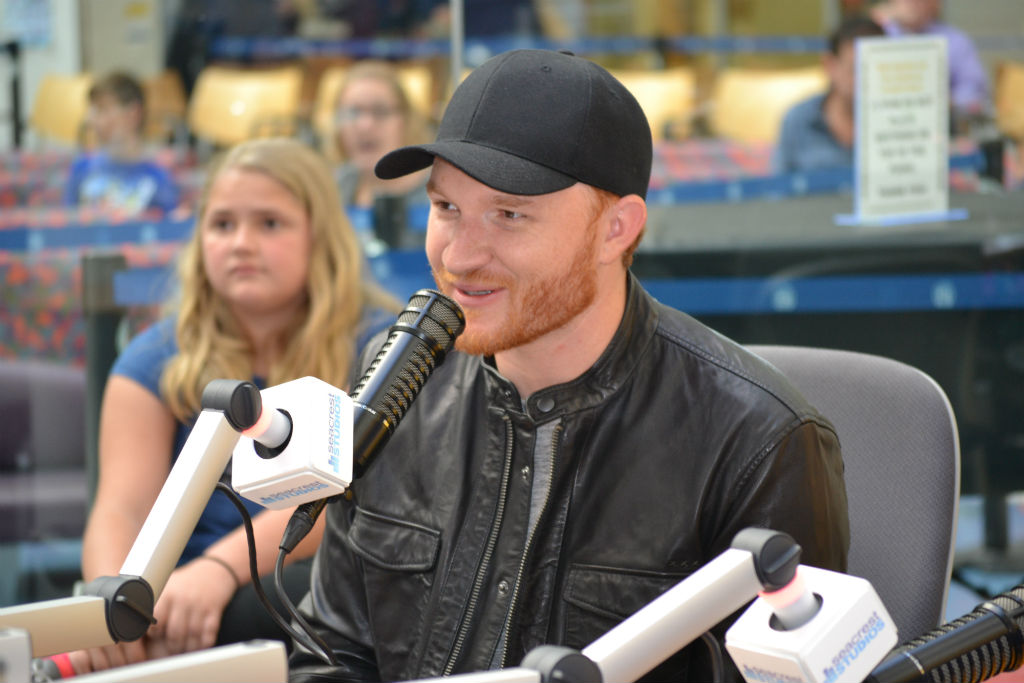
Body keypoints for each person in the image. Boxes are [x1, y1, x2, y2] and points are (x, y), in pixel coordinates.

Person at [289, 49, 850, 683]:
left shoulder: (758, 440)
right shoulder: (399, 382)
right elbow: (331, 651)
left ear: (616, 229)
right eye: (446, 208)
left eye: (509, 215)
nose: (460, 256)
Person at [69, 137, 400, 675]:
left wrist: (218, 573)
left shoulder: (376, 351)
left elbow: (330, 501)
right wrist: (112, 608)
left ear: (321, 238)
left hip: (298, 583)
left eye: (270, 224)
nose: (241, 243)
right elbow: (120, 507)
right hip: (168, 596)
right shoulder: (154, 357)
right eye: (222, 225)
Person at [773, 15, 886, 174]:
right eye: (856, 70)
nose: (868, 80)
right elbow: (780, 190)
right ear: (830, 66)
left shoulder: (900, 122)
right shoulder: (798, 120)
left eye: (878, 69)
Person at [63, 71, 181, 216]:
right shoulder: (81, 169)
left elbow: (169, 232)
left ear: (133, 114)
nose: (91, 120)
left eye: (102, 109)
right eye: (92, 111)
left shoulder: (158, 179)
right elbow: (68, 229)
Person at [872, 0, 990, 123]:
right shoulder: (876, 35)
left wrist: (945, 102)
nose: (913, 3)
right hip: (885, 126)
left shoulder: (955, 41)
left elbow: (975, 92)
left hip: (942, 127)